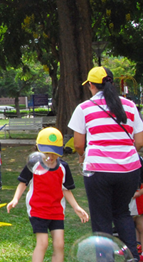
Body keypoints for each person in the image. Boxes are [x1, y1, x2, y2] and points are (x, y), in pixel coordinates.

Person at [69, 66, 143, 258]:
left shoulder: (84, 108)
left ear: (91, 86)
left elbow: (78, 144)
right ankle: (132, 257)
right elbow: (140, 141)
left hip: (98, 171)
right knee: (123, 213)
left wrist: (82, 155)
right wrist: (124, 156)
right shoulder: (130, 106)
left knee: (101, 220)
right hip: (130, 170)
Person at [7, 127, 88, 262]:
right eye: (46, 153)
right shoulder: (34, 164)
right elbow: (23, 183)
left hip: (56, 210)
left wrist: (76, 207)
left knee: (59, 245)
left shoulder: (63, 167)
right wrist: (15, 199)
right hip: (38, 209)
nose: (50, 157)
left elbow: (66, 189)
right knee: (43, 243)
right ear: (38, 149)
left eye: (54, 153)